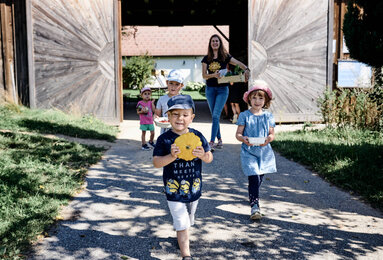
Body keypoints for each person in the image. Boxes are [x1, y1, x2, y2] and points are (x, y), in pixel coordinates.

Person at [153, 95, 213, 260]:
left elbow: (209, 158)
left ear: (192, 117)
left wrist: (203, 156)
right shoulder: (164, 139)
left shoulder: (198, 136)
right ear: (168, 116)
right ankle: (186, 254)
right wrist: (171, 157)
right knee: (181, 220)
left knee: (189, 217)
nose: (180, 118)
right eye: (175, 114)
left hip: (194, 187)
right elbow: (157, 162)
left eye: (185, 114)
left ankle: (183, 229)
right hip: (174, 189)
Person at [235, 83, 277, 220]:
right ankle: (255, 206)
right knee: (253, 176)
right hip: (249, 151)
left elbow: (272, 134)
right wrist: (243, 138)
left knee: (259, 177)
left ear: (265, 101)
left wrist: (269, 139)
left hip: (264, 152)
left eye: (260, 98)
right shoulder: (244, 115)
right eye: (254, 98)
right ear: (249, 99)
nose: (257, 101)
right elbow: (238, 134)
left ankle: (253, 193)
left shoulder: (268, 116)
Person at [201, 34, 250, 150]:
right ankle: (220, 140)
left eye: (217, 41)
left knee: (216, 115)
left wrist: (246, 69)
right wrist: (214, 75)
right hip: (210, 89)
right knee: (215, 116)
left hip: (223, 90)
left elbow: (238, 63)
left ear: (220, 43)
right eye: (213, 41)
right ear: (210, 44)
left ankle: (212, 141)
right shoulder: (206, 58)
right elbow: (204, 75)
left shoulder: (225, 56)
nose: (215, 43)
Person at [155, 69, 184, 135]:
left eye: (177, 84)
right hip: (165, 131)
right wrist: (156, 117)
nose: (173, 87)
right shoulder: (162, 99)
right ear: (167, 82)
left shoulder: (183, 100)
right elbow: (157, 114)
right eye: (171, 83)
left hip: (179, 131)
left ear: (181, 86)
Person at [136, 86, 156, 150]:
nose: (147, 95)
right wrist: (142, 111)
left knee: (152, 133)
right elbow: (138, 112)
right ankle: (143, 144)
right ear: (141, 95)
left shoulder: (150, 102)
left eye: (148, 94)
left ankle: (151, 141)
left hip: (150, 121)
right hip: (143, 121)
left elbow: (153, 110)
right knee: (143, 133)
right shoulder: (140, 103)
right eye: (145, 94)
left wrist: (152, 103)